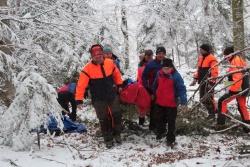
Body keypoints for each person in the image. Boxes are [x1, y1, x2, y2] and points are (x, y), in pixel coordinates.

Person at [75, 44, 123, 148]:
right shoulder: (87, 69)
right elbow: (81, 85)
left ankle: (117, 134)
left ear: (102, 54)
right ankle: (108, 139)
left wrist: (119, 84)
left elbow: (117, 74)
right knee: (103, 119)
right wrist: (79, 99)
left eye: (100, 54)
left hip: (112, 94)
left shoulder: (110, 63)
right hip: (98, 98)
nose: (98, 57)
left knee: (117, 115)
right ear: (92, 56)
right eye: (95, 55)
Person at [153, 58, 187, 146]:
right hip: (160, 101)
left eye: (167, 68)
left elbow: (182, 89)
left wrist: (184, 102)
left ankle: (170, 139)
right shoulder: (159, 73)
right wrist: (153, 93)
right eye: (164, 68)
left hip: (171, 103)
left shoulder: (176, 76)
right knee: (159, 119)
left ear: (171, 67)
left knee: (171, 121)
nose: (165, 70)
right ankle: (161, 132)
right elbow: (155, 85)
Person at [216, 46, 250, 132]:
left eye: (226, 55)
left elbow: (237, 78)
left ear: (230, 54)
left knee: (222, 101)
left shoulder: (235, 61)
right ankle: (247, 126)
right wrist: (226, 85)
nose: (225, 57)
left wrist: (231, 91)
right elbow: (236, 76)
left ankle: (221, 124)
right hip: (244, 86)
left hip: (239, 87)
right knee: (242, 106)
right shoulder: (237, 59)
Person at [142, 46, 171, 130]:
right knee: (155, 109)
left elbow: (173, 73)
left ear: (165, 54)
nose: (161, 55)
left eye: (162, 53)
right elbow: (144, 77)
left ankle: (163, 126)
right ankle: (153, 126)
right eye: (159, 53)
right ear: (156, 54)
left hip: (166, 90)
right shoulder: (151, 64)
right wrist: (147, 89)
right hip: (154, 90)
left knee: (166, 108)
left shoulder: (168, 62)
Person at [190, 44, 219, 119]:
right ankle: (214, 111)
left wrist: (211, 82)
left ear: (206, 50)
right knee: (202, 99)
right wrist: (195, 79)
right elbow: (199, 70)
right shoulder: (201, 58)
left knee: (209, 98)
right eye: (200, 49)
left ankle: (212, 114)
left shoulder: (212, 59)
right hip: (202, 82)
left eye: (202, 49)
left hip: (209, 82)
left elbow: (214, 71)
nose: (200, 51)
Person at [136, 49, 153, 126]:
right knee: (142, 106)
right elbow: (139, 76)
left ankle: (152, 124)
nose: (149, 57)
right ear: (145, 56)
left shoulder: (154, 63)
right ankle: (141, 123)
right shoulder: (141, 64)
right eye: (147, 55)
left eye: (150, 55)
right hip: (142, 87)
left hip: (152, 87)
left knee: (151, 105)